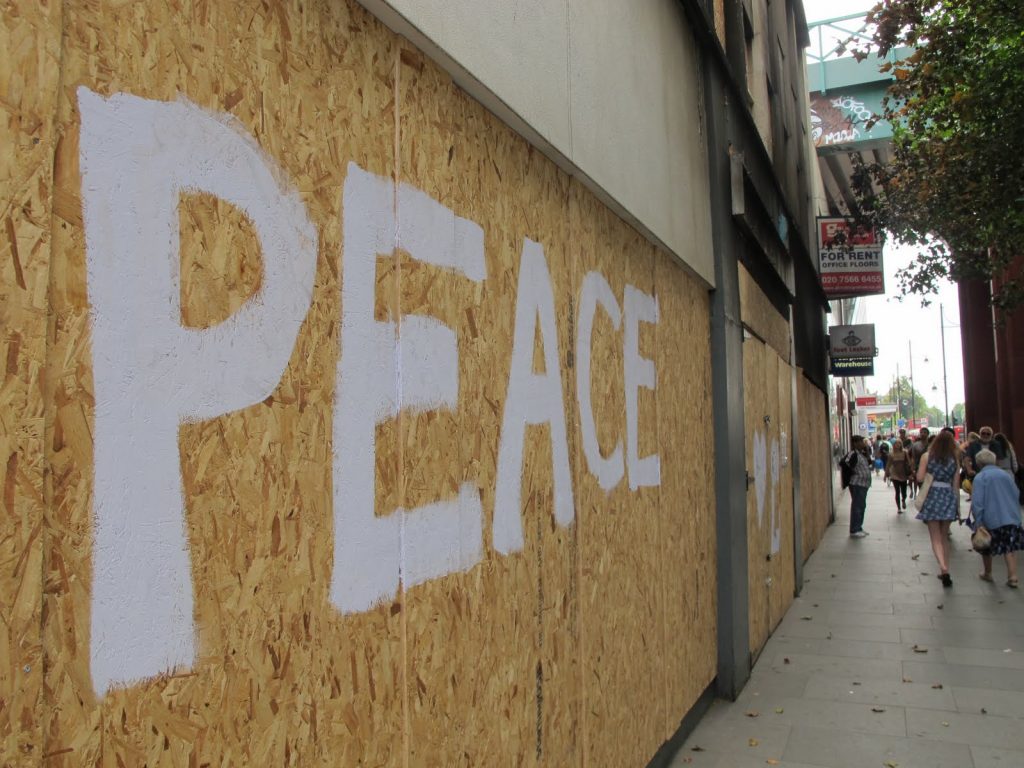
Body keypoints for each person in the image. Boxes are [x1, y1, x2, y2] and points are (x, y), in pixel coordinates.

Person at [968, 449, 1024, 587]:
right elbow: (1016, 493)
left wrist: (979, 521)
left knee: (985, 544)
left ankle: (988, 572)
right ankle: (1013, 576)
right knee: (1009, 547)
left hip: (991, 518)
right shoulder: (1005, 475)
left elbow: (977, 502)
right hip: (1010, 516)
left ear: (979, 463)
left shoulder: (981, 477)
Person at [916, 430, 961, 586]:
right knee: (944, 538)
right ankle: (945, 568)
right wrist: (957, 506)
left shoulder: (927, 457)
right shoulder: (954, 459)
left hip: (932, 496)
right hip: (948, 496)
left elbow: (920, 478)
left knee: (935, 538)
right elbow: (956, 484)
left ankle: (943, 568)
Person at [842, 435, 873, 537]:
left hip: (863, 484)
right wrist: (852, 474)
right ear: (855, 443)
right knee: (857, 506)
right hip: (857, 483)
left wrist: (867, 451)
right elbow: (844, 463)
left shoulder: (862, 454)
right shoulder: (853, 454)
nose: (863, 444)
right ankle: (854, 529)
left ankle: (859, 527)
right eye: (860, 442)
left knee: (861, 506)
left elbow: (869, 462)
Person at [885, 438, 913, 512]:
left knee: (904, 491)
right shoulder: (891, 454)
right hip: (894, 474)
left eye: (899, 443)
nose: (898, 445)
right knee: (897, 491)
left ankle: (903, 499)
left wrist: (911, 471)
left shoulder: (904, 452)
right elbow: (888, 464)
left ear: (901, 444)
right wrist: (886, 474)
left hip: (903, 473)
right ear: (894, 445)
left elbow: (909, 463)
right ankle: (899, 508)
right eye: (896, 443)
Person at [909, 427, 930, 498]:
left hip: (929, 468)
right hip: (919, 467)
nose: (922, 434)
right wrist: (913, 469)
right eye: (921, 432)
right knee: (920, 485)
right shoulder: (915, 445)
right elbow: (913, 458)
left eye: (924, 432)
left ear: (928, 434)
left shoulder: (931, 444)